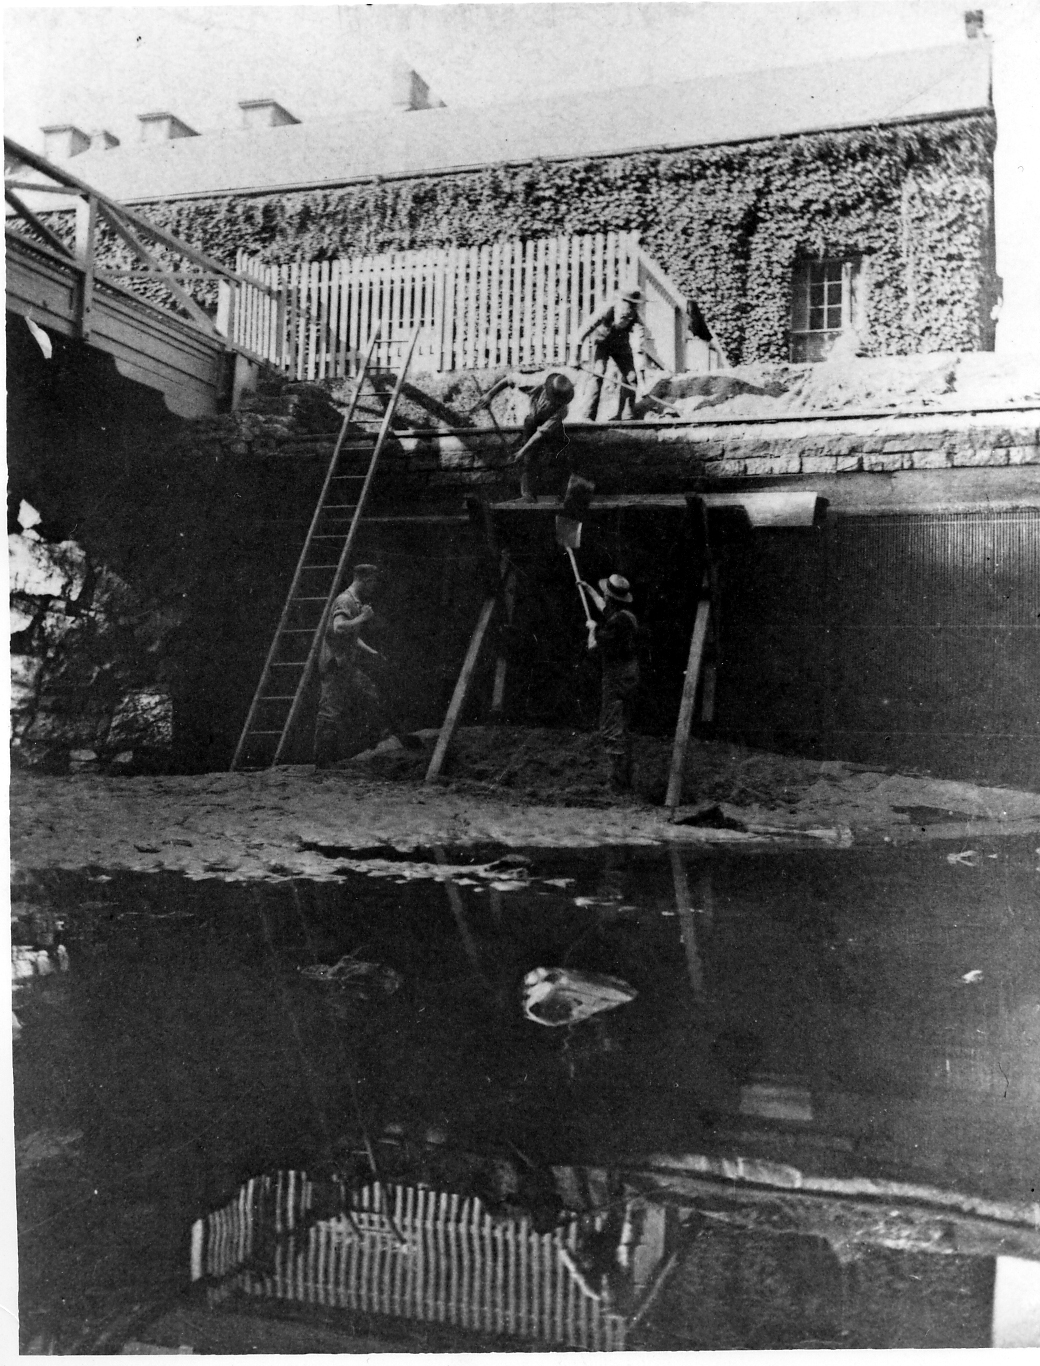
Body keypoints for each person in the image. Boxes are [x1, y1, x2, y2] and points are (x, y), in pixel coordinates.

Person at [314, 564, 416, 769]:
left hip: (346, 663)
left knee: (370, 693)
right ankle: (322, 763)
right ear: (366, 580)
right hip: (335, 664)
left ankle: (384, 738)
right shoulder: (345, 600)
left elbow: (352, 636)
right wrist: (362, 618)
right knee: (331, 711)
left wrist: (371, 652)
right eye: (373, 582)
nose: (374, 587)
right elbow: (339, 627)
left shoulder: (355, 602)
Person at [579, 573, 641, 794]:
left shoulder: (614, 624)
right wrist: (588, 589)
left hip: (616, 677)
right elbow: (603, 606)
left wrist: (592, 628)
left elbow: (593, 647)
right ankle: (628, 780)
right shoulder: (627, 616)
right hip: (631, 674)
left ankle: (617, 785)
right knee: (624, 727)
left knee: (610, 729)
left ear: (611, 596)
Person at [574, 289, 646, 422]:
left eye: (633, 306)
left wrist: (643, 382)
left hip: (621, 346)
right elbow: (582, 332)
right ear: (620, 302)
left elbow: (640, 349)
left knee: (631, 378)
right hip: (602, 343)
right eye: (623, 317)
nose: (628, 315)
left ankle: (626, 416)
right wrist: (575, 357)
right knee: (598, 374)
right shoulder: (606, 309)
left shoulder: (636, 317)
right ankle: (588, 416)